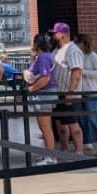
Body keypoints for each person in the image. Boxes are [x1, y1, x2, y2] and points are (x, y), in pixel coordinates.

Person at [50, 23, 85, 154]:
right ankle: (64, 149)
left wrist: (71, 92)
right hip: (58, 93)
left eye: (55, 33)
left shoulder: (73, 50)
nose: (53, 35)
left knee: (73, 123)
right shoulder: (56, 50)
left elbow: (76, 72)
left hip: (69, 93)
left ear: (62, 34)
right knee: (61, 124)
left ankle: (79, 151)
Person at [24, 33, 58, 164]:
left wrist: (31, 89)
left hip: (44, 93)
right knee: (45, 126)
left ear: (37, 44)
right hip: (46, 93)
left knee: (45, 127)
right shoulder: (46, 56)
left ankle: (51, 157)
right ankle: (48, 155)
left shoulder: (43, 58)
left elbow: (45, 78)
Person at [75, 33, 97, 150]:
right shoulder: (78, 56)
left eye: (78, 42)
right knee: (83, 118)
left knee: (93, 118)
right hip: (80, 91)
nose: (76, 45)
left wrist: (83, 72)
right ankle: (88, 141)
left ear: (83, 43)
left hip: (91, 91)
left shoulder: (93, 56)